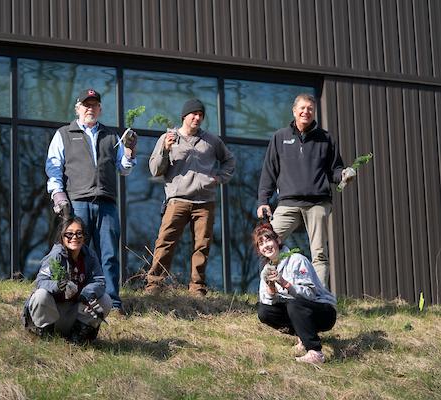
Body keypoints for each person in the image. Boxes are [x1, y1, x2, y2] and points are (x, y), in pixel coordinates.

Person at [45, 88, 137, 316]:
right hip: (77, 202)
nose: (90, 108)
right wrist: (59, 196)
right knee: (76, 254)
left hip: (106, 203)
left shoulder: (111, 135)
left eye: (94, 105)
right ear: (77, 108)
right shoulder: (64, 133)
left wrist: (130, 151)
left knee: (109, 255)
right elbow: (53, 168)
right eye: (86, 104)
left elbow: (124, 170)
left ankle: (113, 303)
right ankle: (75, 299)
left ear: (100, 109)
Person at [256, 93, 354, 287]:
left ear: (314, 112)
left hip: (317, 203)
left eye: (310, 108)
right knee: (267, 243)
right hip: (287, 203)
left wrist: (344, 175)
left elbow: (334, 169)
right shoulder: (280, 137)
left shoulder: (325, 138)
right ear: (294, 111)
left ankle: (319, 297)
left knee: (319, 253)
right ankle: (269, 292)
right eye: (302, 108)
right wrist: (263, 201)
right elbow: (269, 172)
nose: (305, 112)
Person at [145, 98, 235, 296]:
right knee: (165, 242)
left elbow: (229, 160)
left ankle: (197, 287)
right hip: (177, 200)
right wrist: (165, 150)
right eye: (194, 114)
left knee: (202, 245)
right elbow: (155, 170)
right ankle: (154, 285)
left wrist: (219, 178)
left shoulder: (212, 140)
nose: (197, 117)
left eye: (201, 115)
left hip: (205, 202)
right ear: (184, 116)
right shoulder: (168, 138)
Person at [254, 222, 337, 364]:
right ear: (259, 249)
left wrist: (284, 283)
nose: (266, 245)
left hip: (323, 311)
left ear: (278, 241)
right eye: (261, 243)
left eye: (268, 240)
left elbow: (310, 294)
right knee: (264, 311)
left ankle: (315, 352)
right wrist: (271, 289)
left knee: (294, 303)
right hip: (297, 311)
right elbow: (268, 302)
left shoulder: (297, 259)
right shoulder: (266, 271)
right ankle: (302, 335)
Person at [22, 216, 111, 344]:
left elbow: (100, 281)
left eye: (79, 233)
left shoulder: (90, 256)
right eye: (69, 234)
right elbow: (40, 282)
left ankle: (78, 337)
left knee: (106, 300)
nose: (74, 237)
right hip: (52, 313)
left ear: (84, 237)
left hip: (75, 312)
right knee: (40, 295)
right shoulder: (55, 256)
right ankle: (46, 336)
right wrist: (58, 285)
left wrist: (86, 294)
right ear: (62, 237)